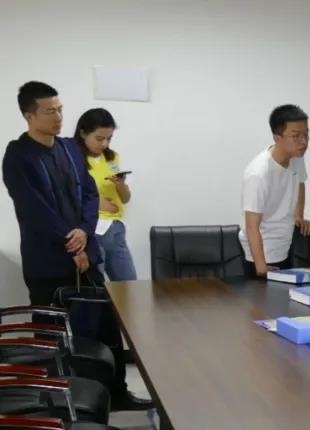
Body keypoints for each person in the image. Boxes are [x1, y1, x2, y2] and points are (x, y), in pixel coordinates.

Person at [2, 81, 151, 410]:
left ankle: (117, 395)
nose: (58, 117)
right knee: (55, 338)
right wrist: (73, 243)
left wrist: (84, 231)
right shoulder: (18, 155)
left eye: (60, 109)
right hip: (49, 263)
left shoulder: (70, 148)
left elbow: (89, 194)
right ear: (29, 115)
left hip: (87, 255)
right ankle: (59, 405)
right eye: (49, 111)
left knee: (105, 327)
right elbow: (34, 208)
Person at [239, 104, 310, 278]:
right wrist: (261, 269)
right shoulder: (258, 173)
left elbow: (300, 183)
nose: (304, 142)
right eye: (296, 136)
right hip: (261, 255)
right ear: (277, 137)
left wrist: (298, 216)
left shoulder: (296, 157)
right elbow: (251, 226)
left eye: (306, 134)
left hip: (285, 246)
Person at [73, 108, 137, 281]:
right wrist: (98, 203)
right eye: (99, 138)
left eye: (109, 138)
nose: (104, 144)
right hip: (91, 230)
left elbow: (125, 198)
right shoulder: (73, 159)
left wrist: (120, 184)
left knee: (128, 283)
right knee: (96, 285)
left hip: (115, 228)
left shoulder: (112, 158)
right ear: (83, 133)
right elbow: (67, 195)